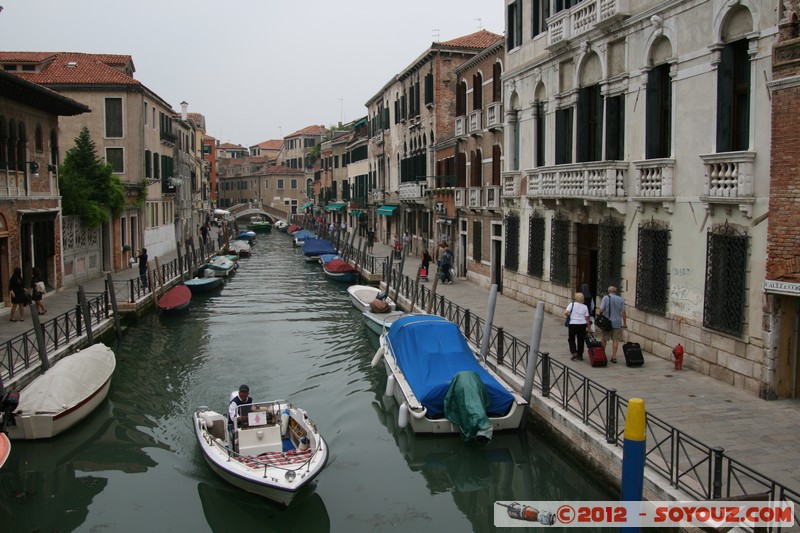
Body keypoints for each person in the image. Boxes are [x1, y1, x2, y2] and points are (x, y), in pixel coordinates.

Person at [598, 285, 627, 364]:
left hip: (607, 323)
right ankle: (614, 357)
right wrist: (625, 323)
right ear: (615, 291)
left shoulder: (605, 298)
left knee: (604, 338)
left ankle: (602, 354)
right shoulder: (621, 299)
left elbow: (601, 310)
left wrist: (600, 315)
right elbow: (623, 312)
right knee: (615, 340)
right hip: (617, 322)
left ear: (608, 291)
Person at [565, 292, 591, 361]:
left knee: (571, 338)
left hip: (573, 324)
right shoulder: (585, 307)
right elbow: (587, 318)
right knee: (581, 340)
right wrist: (589, 328)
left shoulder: (572, 304)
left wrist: (569, 315)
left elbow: (566, 312)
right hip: (582, 324)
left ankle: (573, 352)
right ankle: (580, 355)